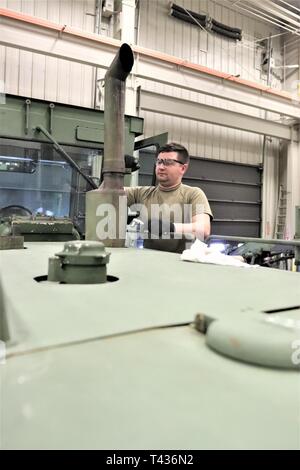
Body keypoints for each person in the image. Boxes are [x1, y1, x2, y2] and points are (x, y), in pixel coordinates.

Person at [125, 142, 213, 253]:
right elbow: (105, 195)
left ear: (183, 168)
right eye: (159, 162)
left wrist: (169, 227)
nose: (161, 167)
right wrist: (115, 171)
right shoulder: (141, 193)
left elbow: (203, 230)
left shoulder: (193, 194)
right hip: (149, 260)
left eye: (168, 163)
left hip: (182, 262)